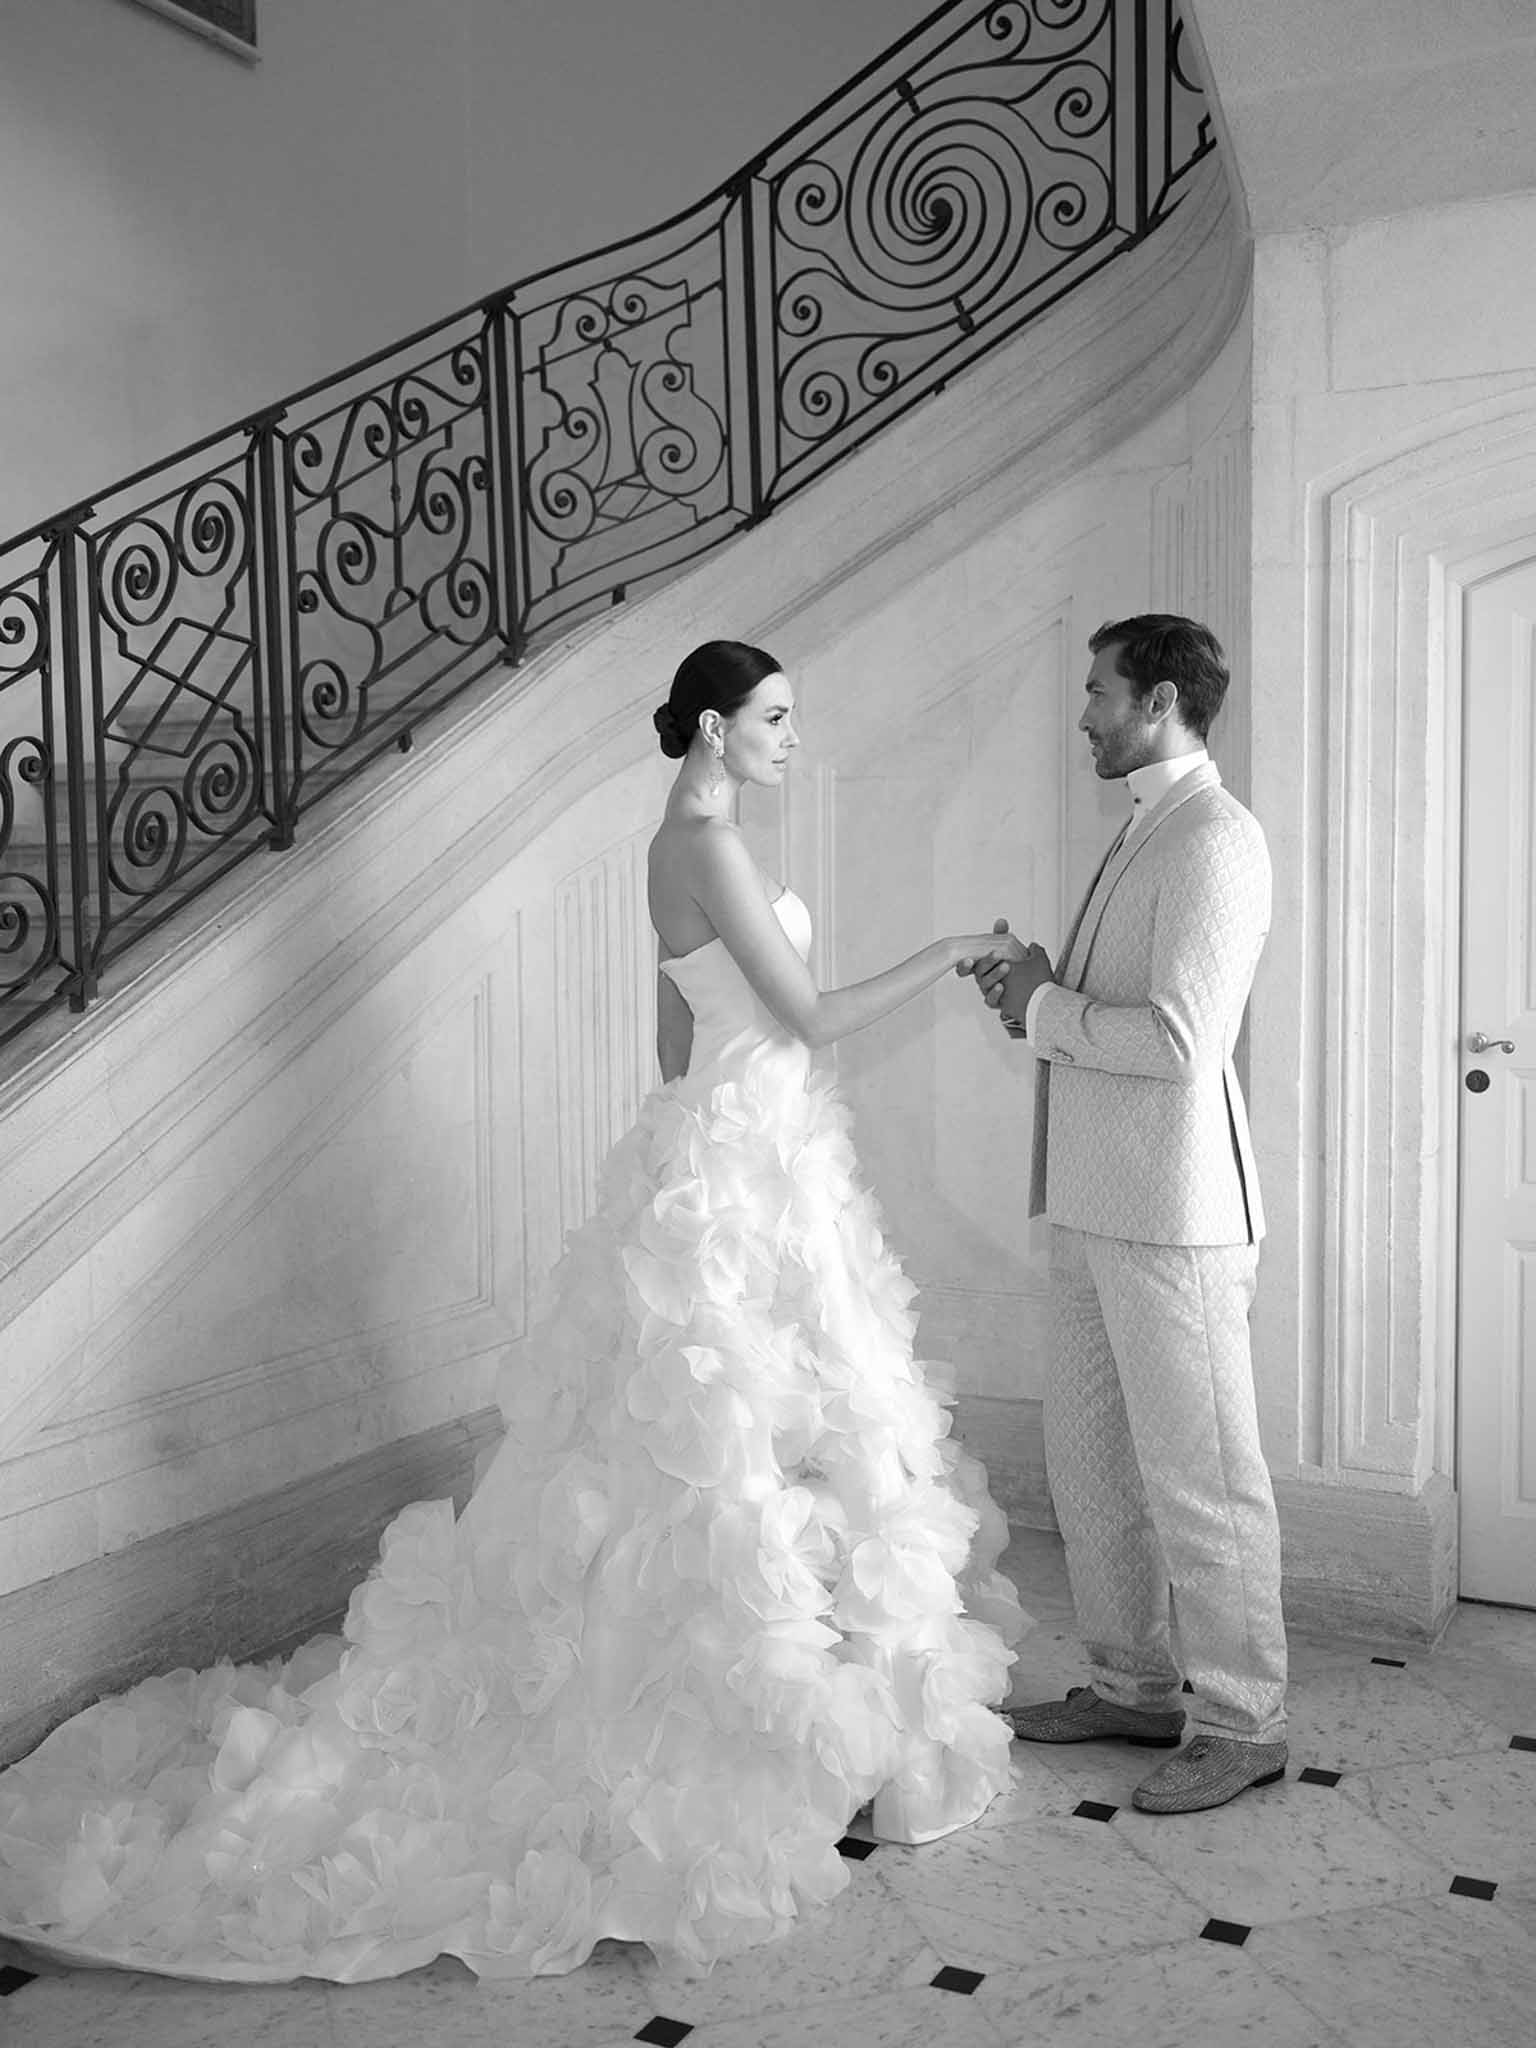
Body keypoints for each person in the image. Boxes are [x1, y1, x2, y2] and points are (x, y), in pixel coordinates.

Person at [0, 639, 1028, 1985]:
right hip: (750, 1161)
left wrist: (698, 1146)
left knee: (728, 1451)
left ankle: (798, 1733)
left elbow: (677, 1039)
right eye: (774, 718)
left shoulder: (673, 840)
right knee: (729, 1455)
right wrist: (955, 949)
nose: (793, 736)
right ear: (713, 728)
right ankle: (756, 1738)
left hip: (735, 1158)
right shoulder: (710, 843)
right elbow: (812, 1016)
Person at [967, 614, 1287, 1815]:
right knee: (1091, 1465)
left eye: (1098, 691)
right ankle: (1133, 1685)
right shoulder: (1148, 825)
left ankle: (1245, 1718)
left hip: (1178, 1212)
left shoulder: (1216, 836)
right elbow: (1118, 1007)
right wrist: (1043, 980)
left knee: (1202, 1476)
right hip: (1097, 1202)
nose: (1085, 712)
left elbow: (1181, 1040)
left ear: (1157, 700)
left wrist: (1048, 1008)